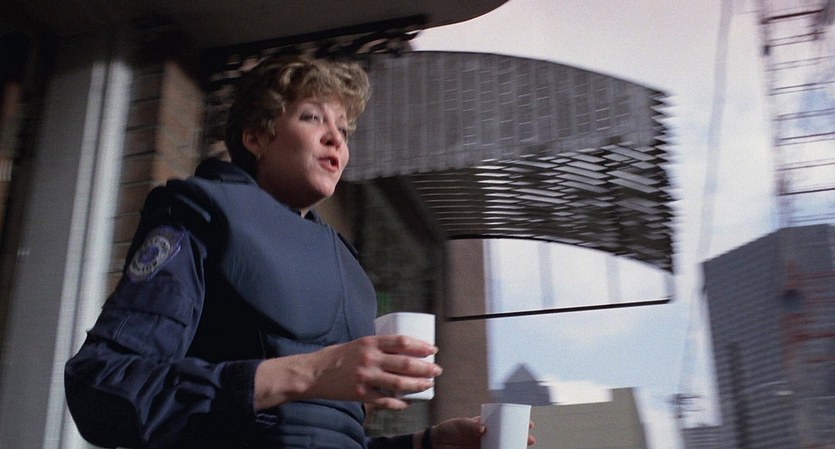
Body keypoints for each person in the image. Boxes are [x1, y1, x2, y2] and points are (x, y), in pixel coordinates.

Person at [64, 55, 535, 449]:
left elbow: (322, 436)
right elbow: (102, 388)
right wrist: (310, 372)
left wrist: (426, 444)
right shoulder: (200, 216)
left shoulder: (347, 265)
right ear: (256, 137)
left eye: (344, 129)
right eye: (312, 117)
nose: (336, 138)